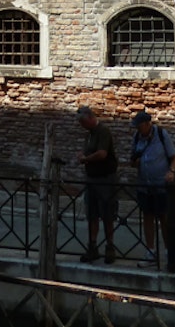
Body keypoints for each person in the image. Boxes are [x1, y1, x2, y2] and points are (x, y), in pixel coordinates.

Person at [129, 110, 175, 272]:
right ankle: (151, 251)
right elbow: (132, 160)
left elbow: (174, 158)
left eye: (139, 126)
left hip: (161, 185)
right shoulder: (137, 137)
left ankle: (169, 252)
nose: (138, 129)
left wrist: (171, 171)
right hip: (144, 185)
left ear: (147, 124)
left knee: (164, 218)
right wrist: (136, 162)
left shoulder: (161, 134)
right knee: (147, 217)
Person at [75, 105, 119, 263]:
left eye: (83, 123)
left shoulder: (103, 131)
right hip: (92, 178)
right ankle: (92, 247)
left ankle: (110, 247)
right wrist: (82, 155)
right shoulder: (89, 135)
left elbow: (102, 154)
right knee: (92, 214)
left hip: (105, 178)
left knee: (107, 214)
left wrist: (86, 159)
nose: (82, 126)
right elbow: (89, 151)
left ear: (90, 118)